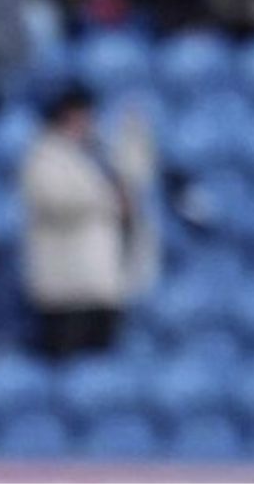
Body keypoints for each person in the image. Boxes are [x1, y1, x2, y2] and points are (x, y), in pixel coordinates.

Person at [21, 86, 159, 359]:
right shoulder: (44, 155)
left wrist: (134, 137)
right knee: (67, 357)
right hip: (66, 286)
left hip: (102, 281)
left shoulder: (97, 154)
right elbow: (54, 199)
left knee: (100, 358)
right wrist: (110, 201)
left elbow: (134, 179)